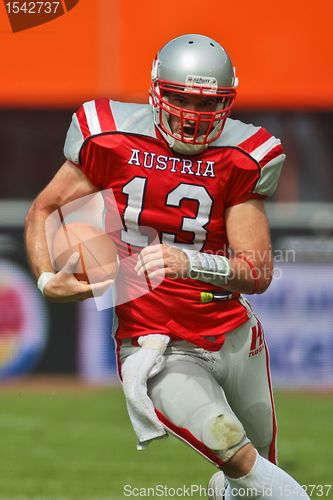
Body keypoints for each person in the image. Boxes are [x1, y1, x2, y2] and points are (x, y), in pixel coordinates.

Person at [25, 34, 308, 499]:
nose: (193, 114)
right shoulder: (110, 138)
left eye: (206, 102)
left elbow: (256, 272)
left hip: (232, 332)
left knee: (251, 483)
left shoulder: (241, 156)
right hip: (156, 341)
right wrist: (45, 278)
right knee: (237, 454)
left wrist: (188, 262)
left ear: (227, 102)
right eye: (181, 97)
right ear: (156, 89)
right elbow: (44, 209)